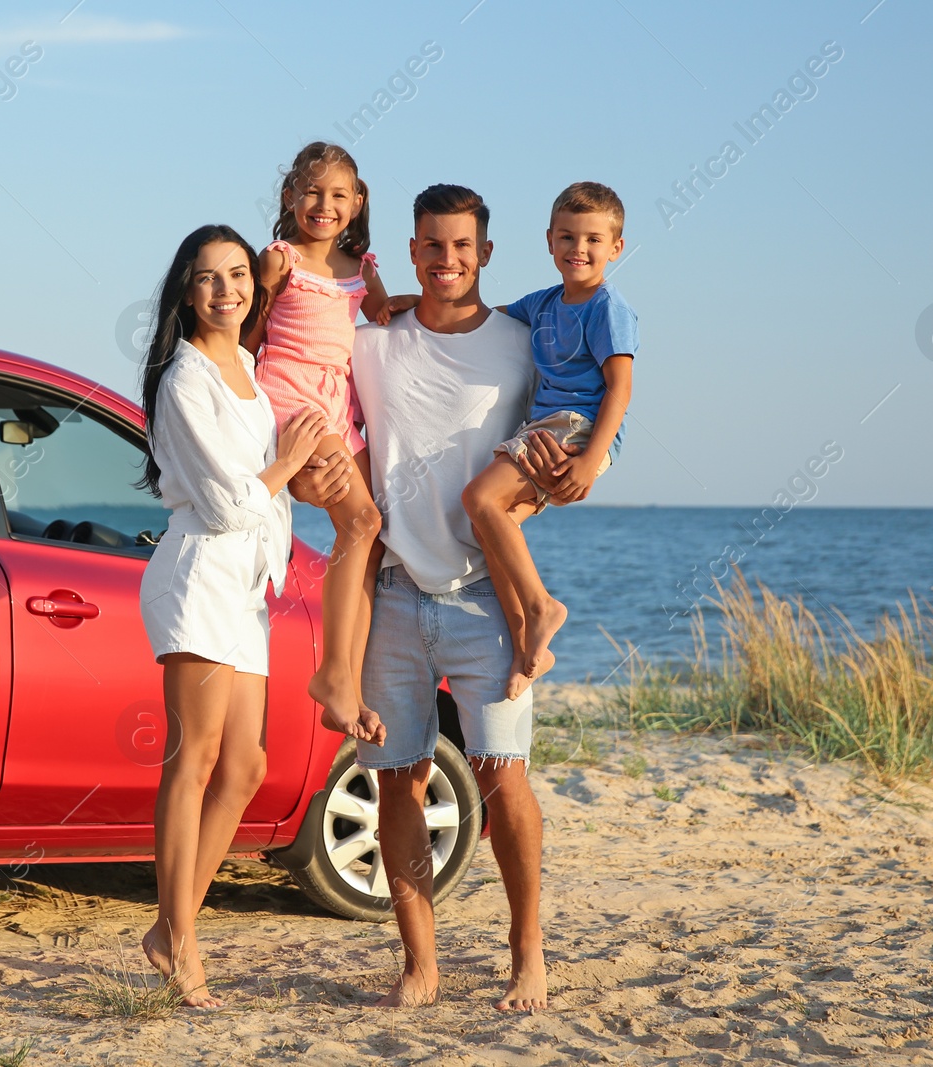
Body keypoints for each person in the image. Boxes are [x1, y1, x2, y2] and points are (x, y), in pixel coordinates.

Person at [294, 185, 558, 1011]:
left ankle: (527, 947)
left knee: (502, 773)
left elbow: (565, 439)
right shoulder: (373, 344)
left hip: (487, 599)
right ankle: (421, 960)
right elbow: (303, 378)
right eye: (433, 247)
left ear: (484, 253)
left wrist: (546, 491)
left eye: (463, 248)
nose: (448, 261)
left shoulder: (522, 345)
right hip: (394, 595)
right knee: (396, 781)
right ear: (411, 251)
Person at [137, 224, 327, 1007]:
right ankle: (181, 941)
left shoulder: (247, 363)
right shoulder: (184, 380)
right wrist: (285, 461)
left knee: (245, 766)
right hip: (198, 575)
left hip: (246, 587)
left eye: (239, 275)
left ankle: (167, 925)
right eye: (210, 278)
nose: (227, 289)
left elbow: (262, 497)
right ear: (187, 291)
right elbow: (221, 500)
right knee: (194, 758)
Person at [463, 181, 637, 698]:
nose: (577, 249)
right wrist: (410, 301)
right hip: (546, 427)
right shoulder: (543, 304)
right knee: (492, 528)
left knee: (477, 497)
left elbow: (620, 389)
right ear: (548, 241)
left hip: (577, 426)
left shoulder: (607, 307)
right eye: (566, 237)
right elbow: (481, 317)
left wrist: (592, 460)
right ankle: (527, 649)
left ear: (615, 248)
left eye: (591, 240)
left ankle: (542, 607)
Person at [248, 141, 390, 747]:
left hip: (342, 402)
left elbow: (385, 314)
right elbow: (248, 336)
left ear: (357, 203)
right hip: (293, 398)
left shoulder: (361, 266)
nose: (323, 205)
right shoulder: (279, 260)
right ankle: (331, 676)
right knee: (359, 521)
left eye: (338, 195)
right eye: (311, 192)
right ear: (289, 197)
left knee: (374, 533)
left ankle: (347, 680)